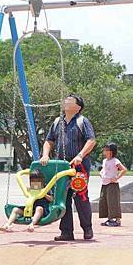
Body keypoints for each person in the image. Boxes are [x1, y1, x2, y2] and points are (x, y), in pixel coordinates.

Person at [40, 94, 96, 241]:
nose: (66, 102)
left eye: (70, 101)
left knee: (81, 197)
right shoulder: (58, 122)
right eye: (65, 100)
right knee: (62, 199)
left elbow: (91, 140)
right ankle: (66, 232)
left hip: (78, 166)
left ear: (78, 107)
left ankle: (87, 228)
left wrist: (80, 155)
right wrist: (45, 155)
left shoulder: (82, 121)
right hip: (60, 167)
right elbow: (49, 140)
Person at [99, 142, 127, 227]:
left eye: (107, 150)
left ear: (112, 151)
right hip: (104, 183)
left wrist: (117, 177)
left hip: (112, 184)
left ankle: (117, 220)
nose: (105, 151)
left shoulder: (115, 160)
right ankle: (110, 219)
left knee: (113, 201)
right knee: (104, 201)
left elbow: (123, 169)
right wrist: (101, 173)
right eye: (105, 149)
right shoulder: (104, 161)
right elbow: (103, 170)